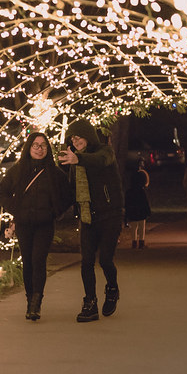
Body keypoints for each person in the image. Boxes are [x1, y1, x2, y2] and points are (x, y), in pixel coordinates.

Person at [0, 132, 72, 321]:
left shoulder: (55, 173)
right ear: (29, 148)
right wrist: (16, 209)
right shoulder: (18, 170)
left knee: (38, 260)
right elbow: (2, 193)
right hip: (24, 224)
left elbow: (69, 195)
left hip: (44, 224)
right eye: (36, 145)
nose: (39, 149)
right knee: (28, 262)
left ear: (48, 149)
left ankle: (36, 302)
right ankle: (30, 300)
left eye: (43, 146)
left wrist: (56, 211)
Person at [57, 119, 125, 322]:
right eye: (72, 138)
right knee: (86, 262)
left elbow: (99, 161)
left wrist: (78, 159)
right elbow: (70, 189)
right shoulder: (73, 161)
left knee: (105, 260)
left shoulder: (105, 152)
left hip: (110, 215)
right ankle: (90, 302)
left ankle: (112, 289)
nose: (76, 140)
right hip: (87, 217)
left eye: (78, 136)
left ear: (88, 135)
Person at [124, 158, 151, 248]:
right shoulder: (141, 192)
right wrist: (148, 211)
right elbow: (145, 202)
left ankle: (134, 242)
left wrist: (126, 213)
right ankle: (141, 242)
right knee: (141, 227)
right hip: (141, 212)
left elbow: (127, 203)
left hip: (132, 212)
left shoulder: (129, 192)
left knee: (134, 227)